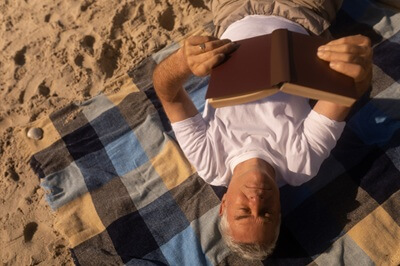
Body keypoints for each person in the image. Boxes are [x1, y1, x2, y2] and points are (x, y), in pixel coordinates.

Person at [152, 0, 372, 260]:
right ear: (279, 209)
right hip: (301, 11)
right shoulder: (299, 164)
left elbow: (169, 95)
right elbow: (345, 94)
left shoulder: (209, 162)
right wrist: (359, 73)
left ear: (223, 206)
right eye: (266, 213)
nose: (257, 201)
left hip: (232, 12)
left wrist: (181, 62)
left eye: (244, 211)